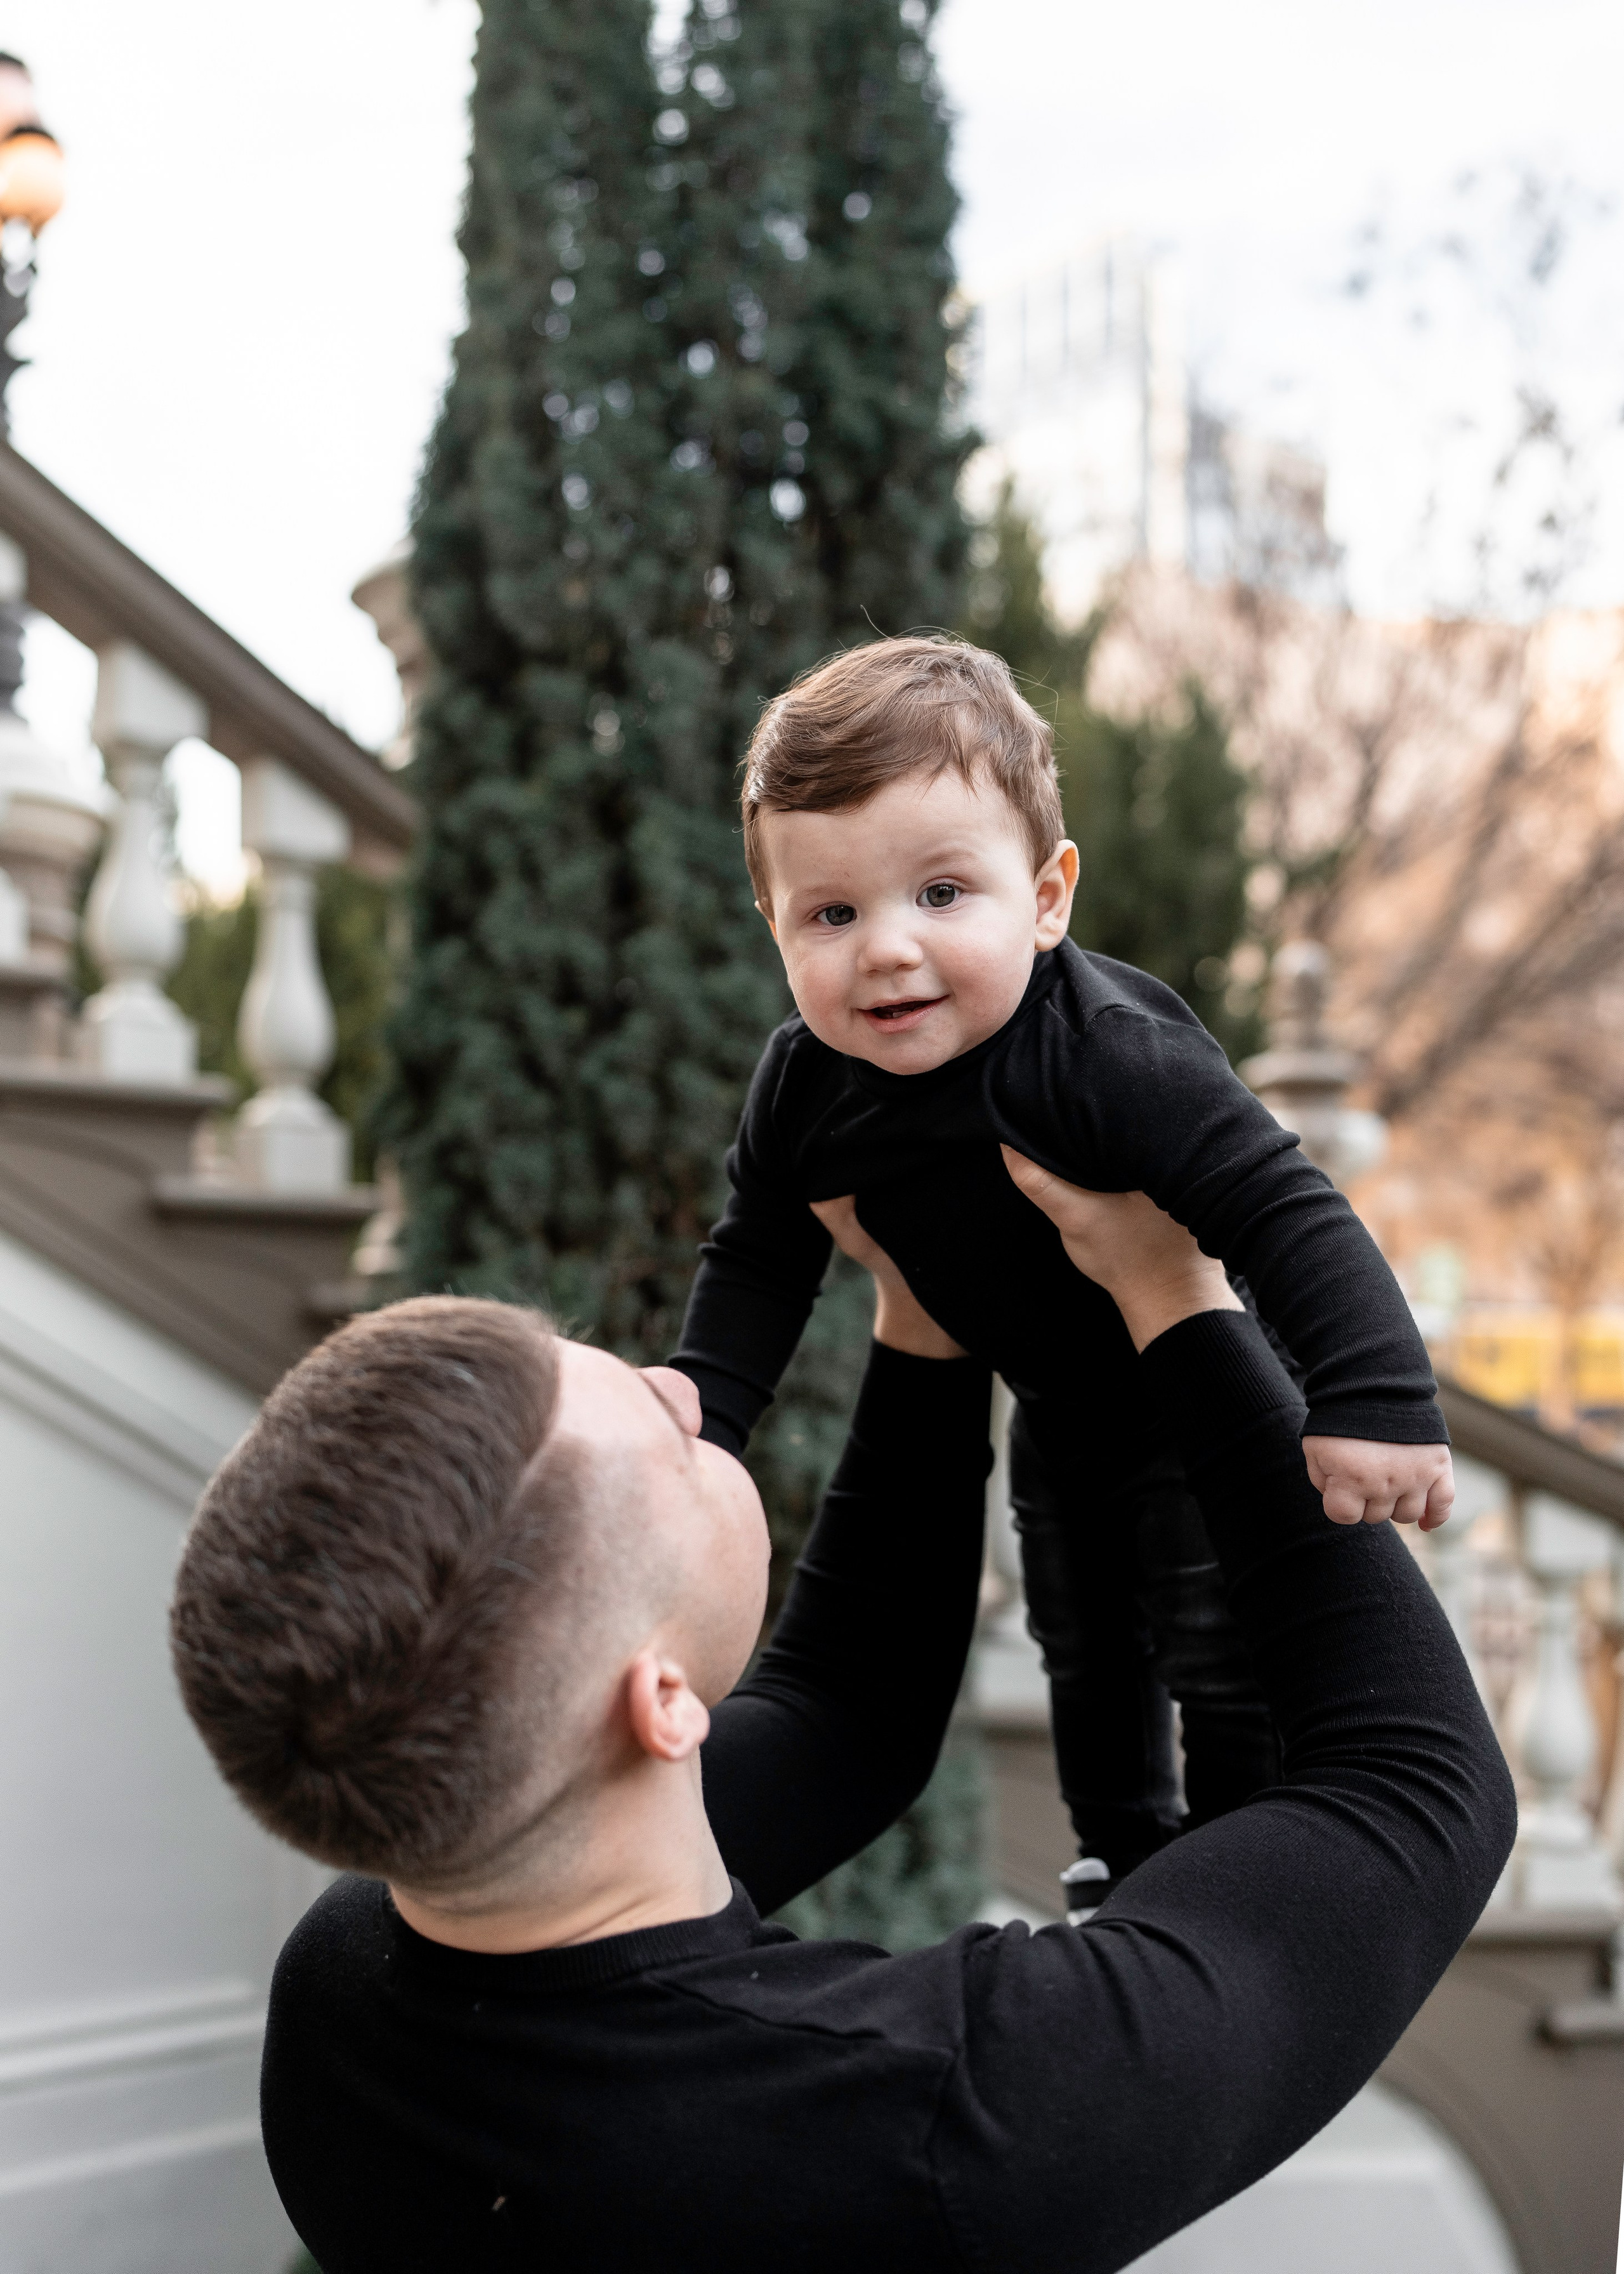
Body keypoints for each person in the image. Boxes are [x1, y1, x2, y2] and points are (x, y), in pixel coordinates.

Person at [170, 1171, 1511, 2274]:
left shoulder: (351, 1989)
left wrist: (922, 1311)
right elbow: (1417, 1787)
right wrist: (1180, 1301)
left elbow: (846, 1717)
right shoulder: (935, 2119)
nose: (685, 1388)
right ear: (659, 1702)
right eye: (665, 1435)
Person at [671, 633, 1455, 1910]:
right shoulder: (806, 1088)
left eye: (940, 894)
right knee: (1082, 1645)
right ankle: (1116, 1856)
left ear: (1045, 898)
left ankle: (1234, 1855)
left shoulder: (1104, 1055)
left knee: (1217, 1649)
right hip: (1057, 1415)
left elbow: (1282, 1204)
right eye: (832, 913)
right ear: (775, 926)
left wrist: (1376, 1397)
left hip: (1199, 1410)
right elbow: (759, 1254)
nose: (886, 948)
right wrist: (704, 1418)